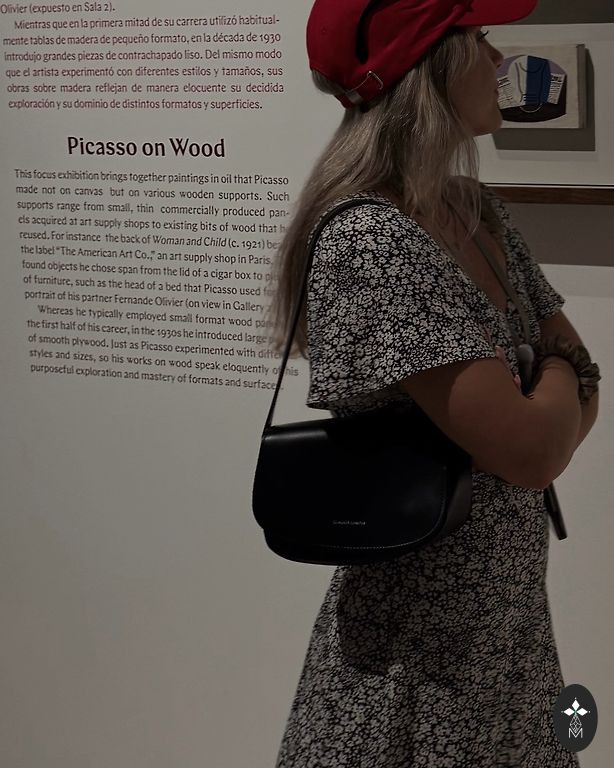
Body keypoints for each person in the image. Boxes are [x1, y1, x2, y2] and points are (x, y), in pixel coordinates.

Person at [268, 0, 600, 765]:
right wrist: (558, 370)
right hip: (416, 662)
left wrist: (555, 384)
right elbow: (534, 450)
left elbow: (572, 393)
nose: (500, 58)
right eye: (478, 38)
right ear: (430, 65)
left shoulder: (473, 210)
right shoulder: (372, 239)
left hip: (505, 636)